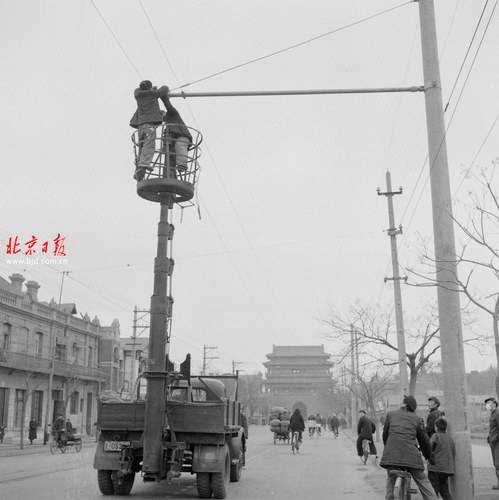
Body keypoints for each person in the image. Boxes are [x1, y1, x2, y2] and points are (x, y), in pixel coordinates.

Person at [380, 395, 437, 500]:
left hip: (391, 456)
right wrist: (429, 456)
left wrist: (388, 448)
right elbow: (424, 441)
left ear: (403, 405)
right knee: (423, 481)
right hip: (411, 458)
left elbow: (385, 435)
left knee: (391, 483)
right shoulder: (417, 419)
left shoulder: (391, 415)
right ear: (413, 408)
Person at [130, 80, 168, 180]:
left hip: (140, 127)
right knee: (149, 144)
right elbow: (164, 88)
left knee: (142, 148)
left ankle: (138, 170)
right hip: (149, 125)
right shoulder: (152, 94)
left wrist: (152, 90)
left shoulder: (138, 95)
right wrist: (154, 90)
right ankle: (143, 165)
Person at [160, 89, 193, 177]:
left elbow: (168, 105)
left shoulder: (172, 114)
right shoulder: (167, 126)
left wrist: (163, 96)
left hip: (182, 136)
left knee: (180, 145)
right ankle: (171, 174)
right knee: (171, 155)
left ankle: (182, 165)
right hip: (173, 142)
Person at [428, 418, 455, 500]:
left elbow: (429, 448)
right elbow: (453, 452)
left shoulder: (435, 436)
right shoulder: (449, 438)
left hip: (435, 468)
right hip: (446, 469)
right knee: (444, 490)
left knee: (433, 491)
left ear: (436, 427)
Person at [485, 396, 499, 490]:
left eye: (489, 403)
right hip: (493, 442)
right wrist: (489, 437)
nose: (487, 405)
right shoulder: (493, 413)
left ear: (494, 403)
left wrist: (495, 438)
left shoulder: (497, 413)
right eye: (486, 403)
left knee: (498, 464)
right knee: (496, 464)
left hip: (497, 442)